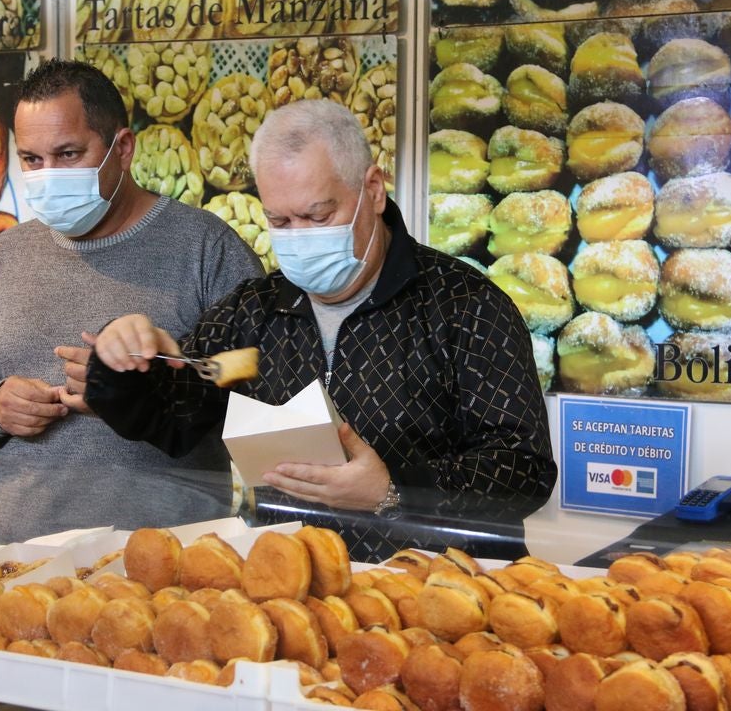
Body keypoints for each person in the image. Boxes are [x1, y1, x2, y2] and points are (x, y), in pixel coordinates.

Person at [81, 99, 556, 560]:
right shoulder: (255, 312)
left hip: (436, 603)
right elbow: (174, 418)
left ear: (372, 189)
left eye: (318, 215)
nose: (299, 235)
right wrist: (126, 361)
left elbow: (524, 468)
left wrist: (393, 490)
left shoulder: (464, 305)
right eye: (279, 220)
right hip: (296, 597)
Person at [0, 59, 263, 543]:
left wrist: (152, 385)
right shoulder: (1, 258)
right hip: (21, 564)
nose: (47, 176)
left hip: (168, 570)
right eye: (32, 160)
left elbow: (263, 391)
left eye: (68, 154)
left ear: (122, 148)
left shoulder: (208, 249)